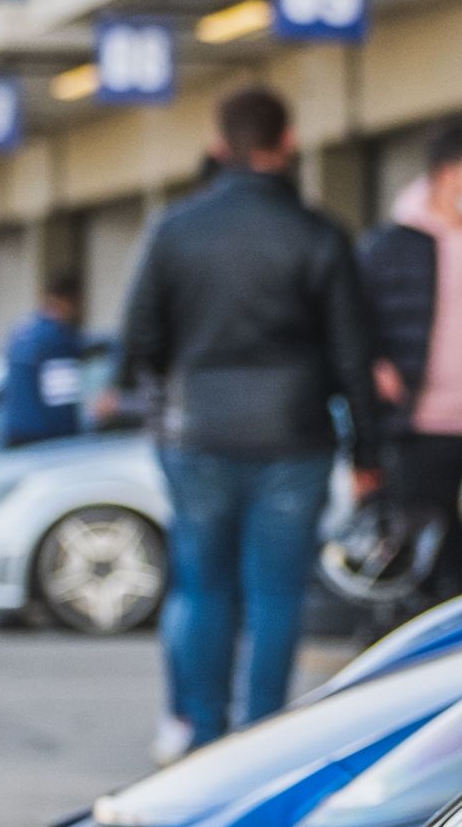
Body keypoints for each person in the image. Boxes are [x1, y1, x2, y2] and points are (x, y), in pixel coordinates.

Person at [112, 83, 380, 758]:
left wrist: (175, 392)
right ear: (287, 144)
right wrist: (369, 451)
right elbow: (355, 356)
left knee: (201, 586)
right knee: (277, 595)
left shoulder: (174, 230)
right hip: (295, 437)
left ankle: (200, 735)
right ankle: (260, 740)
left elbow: (137, 343)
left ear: (218, 146)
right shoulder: (319, 234)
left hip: (197, 434)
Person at [359, 114, 462, 601]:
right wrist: (375, 365)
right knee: (423, 571)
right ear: (448, 174)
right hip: (422, 429)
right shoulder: (389, 246)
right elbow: (355, 324)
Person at [0, 277, 87, 446]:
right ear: (70, 301)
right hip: (45, 444)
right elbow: (62, 402)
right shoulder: (57, 339)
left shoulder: (20, 333)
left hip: (14, 438)